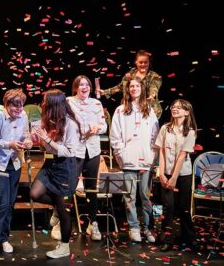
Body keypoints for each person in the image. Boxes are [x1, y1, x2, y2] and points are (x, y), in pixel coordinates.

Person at [30, 89, 81, 259]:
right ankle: (57, 207)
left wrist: (46, 138)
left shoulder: (70, 124)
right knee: (34, 193)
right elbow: (45, 147)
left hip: (65, 167)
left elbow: (68, 152)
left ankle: (65, 246)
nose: (43, 104)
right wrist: (38, 140)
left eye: (45, 101)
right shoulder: (48, 121)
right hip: (51, 163)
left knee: (64, 211)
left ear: (54, 104)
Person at [57, 75, 107, 242]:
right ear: (75, 88)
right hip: (75, 150)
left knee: (91, 188)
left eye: (87, 84)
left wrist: (97, 128)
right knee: (69, 187)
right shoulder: (69, 102)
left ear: (90, 88)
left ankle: (92, 223)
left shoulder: (97, 104)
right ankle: (61, 222)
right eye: (80, 85)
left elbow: (104, 125)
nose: (84, 87)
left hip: (92, 150)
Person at [0, 88, 33, 259]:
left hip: (15, 162)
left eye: (21, 107)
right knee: (2, 203)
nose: (19, 111)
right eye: (15, 107)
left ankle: (4, 238)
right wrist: (9, 144)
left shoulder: (24, 115)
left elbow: (26, 135)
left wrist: (28, 142)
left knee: (11, 203)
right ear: (6, 105)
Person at [110, 77, 159, 243]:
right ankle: (134, 227)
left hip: (146, 161)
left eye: (137, 85)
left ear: (142, 88)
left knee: (145, 196)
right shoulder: (120, 110)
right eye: (131, 86)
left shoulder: (149, 110)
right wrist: (121, 155)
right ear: (127, 89)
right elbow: (115, 135)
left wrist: (152, 157)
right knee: (130, 197)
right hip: (129, 161)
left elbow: (155, 136)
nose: (134, 88)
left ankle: (148, 228)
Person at [155, 99, 198, 251]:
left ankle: (189, 236)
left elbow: (181, 156)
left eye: (179, 108)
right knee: (168, 206)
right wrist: (161, 173)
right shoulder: (165, 128)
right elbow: (161, 150)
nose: (175, 109)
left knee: (183, 207)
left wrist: (173, 178)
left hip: (183, 174)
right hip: (166, 173)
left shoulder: (190, 131)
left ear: (187, 112)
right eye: (174, 106)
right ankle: (166, 238)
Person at [98, 50, 163, 119]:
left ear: (149, 63)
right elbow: (121, 87)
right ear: (136, 62)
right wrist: (105, 92)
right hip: (130, 109)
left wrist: (151, 96)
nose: (143, 64)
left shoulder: (155, 77)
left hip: (148, 110)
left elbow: (154, 89)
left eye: (146, 62)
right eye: (141, 62)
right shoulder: (131, 73)